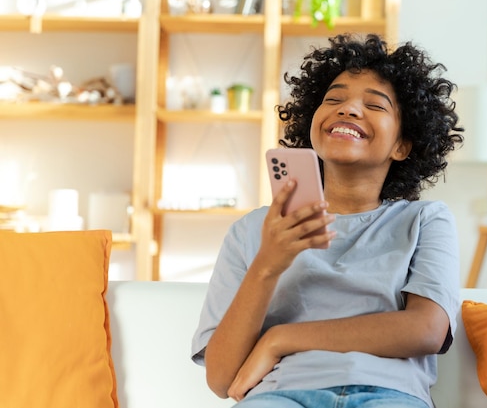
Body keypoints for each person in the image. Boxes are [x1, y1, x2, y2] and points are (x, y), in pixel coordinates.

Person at [191, 33, 464, 408]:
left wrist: (280, 339)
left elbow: (426, 330)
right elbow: (222, 380)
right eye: (333, 99)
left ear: (402, 145)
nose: (348, 109)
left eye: (375, 105)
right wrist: (268, 265)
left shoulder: (425, 221)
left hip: (388, 395)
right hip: (279, 395)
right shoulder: (251, 232)